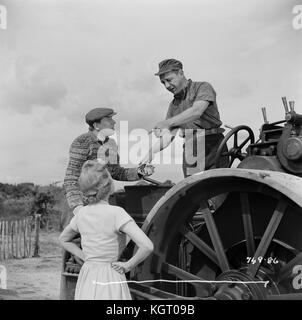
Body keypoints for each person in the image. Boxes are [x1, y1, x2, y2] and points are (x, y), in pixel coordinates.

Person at [59, 160, 154, 300]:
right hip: (110, 274)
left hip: (88, 274)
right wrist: (128, 265)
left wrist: (85, 256)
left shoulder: (81, 214)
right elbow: (147, 246)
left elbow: (63, 239)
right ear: (109, 187)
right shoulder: (117, 213)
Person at [140, 58, 228, 177]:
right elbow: (168, 136)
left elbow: (197, 111)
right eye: (163, 82)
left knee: (218, 188)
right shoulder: (173, 105)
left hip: (213, 144)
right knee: (194, 190)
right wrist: (152, 151)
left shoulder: (202, 87)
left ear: (181, 73)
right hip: (191, 149)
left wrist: (167, 122)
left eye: (169, 80)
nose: (166, 85)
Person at [63, 107, 154, 220]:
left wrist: (140, 171)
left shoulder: (111, 144)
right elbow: (70, 179)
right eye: (109, 119)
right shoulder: (82, 142)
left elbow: (116, 172)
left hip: (100, 204)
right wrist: (78, 208)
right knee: (74, 237)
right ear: (97, 125)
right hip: (80, 206)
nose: (114, 122)